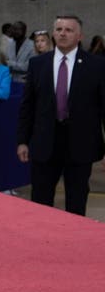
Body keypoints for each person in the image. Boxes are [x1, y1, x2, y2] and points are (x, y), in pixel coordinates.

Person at [17, 15, 105, 216]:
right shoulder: (37, 64)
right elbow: (27, 106)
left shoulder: (97, 66)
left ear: (79, 35)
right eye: (59, 29)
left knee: (77, 199)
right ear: (53, 34)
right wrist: (22, 140)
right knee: (40, 199)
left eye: (69, 30)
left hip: (81, 144)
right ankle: (41, 240)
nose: (63, 33)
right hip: (44, 142)